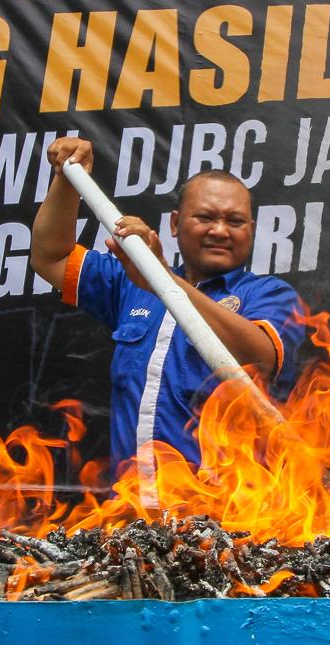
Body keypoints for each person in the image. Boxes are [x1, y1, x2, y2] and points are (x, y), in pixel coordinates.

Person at [30, 136, 304, 501]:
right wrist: (67, 178)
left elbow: (261, 358)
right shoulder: (129, 283)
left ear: (251, 230)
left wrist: (162, 280)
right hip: (131, 520)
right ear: (175, 224)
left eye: (235, 221)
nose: (220, 230)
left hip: (224, 526)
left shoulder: (269, 296)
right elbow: (50, 257)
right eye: (205, 217)